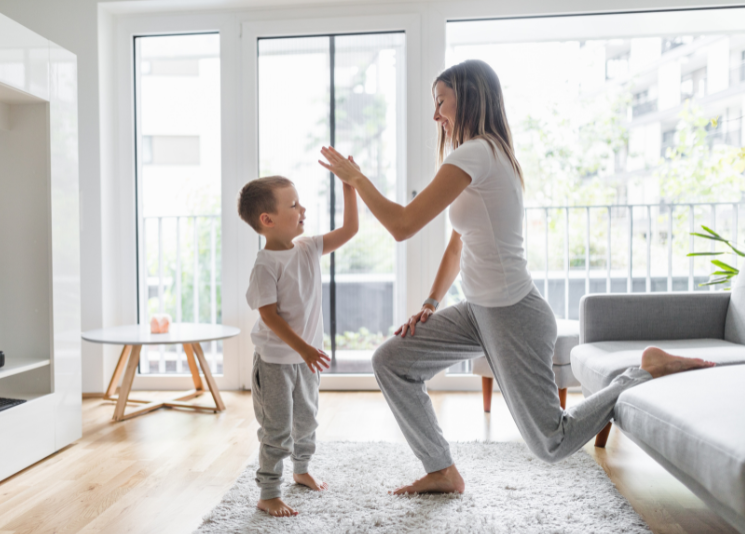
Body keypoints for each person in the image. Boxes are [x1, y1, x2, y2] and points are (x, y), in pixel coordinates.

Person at [318, 59, 715, 495]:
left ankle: (641, 372)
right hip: (478, 312)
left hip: (513, 316)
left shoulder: (478, 153)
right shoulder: (478, 155)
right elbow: (457, 243)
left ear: (467, 98)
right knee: (391, 360)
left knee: (553, 441)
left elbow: (403, 225)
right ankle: (442, 470)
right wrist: (431, 304)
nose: (436, 115)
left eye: (441, 102)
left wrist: (357, 178)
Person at [239, 174, 358, 516]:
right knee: (277, 428)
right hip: (276, 361)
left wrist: (349, 187)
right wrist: (304, 348)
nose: (302, 208)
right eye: (293, 205)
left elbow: (350, 230)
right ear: (267, 220)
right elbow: (270, 316)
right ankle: (269, 492)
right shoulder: (265, 265)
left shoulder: (308, 247)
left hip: (305, 360)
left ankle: (301, 468)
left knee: (306, 419)